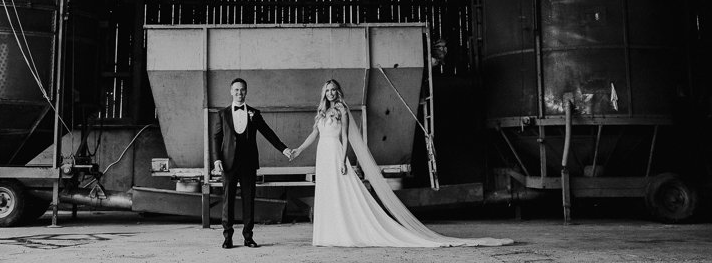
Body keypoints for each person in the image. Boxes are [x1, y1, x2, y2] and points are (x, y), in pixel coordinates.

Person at [290, 79, 513, 248]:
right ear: (324, 93)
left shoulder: (341, 110)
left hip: (335, 154)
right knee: (327, 193)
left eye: (333, 89)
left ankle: (345, 232)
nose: (330, 93)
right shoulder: (321, 112)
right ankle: (328, 234)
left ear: (338, 91)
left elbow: (346, 137)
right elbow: (314, 135)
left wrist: (343, 160)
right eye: (327, 90)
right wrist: (298, 150)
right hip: (322, 155)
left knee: (342, 193)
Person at [211, 77, 293, 249]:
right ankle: (228, 238)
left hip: (248, 163)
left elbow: (268, 133)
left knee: (249, 201)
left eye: (242, 90)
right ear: (231, 91)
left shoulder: (255, 113)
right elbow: (216, 138)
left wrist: (283, 149)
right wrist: (217, 159)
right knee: (228, 201)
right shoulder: (222, 114)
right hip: (228, 163)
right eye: (236, 90)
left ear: (246, 92)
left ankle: (248, 237)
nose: (239, 93)